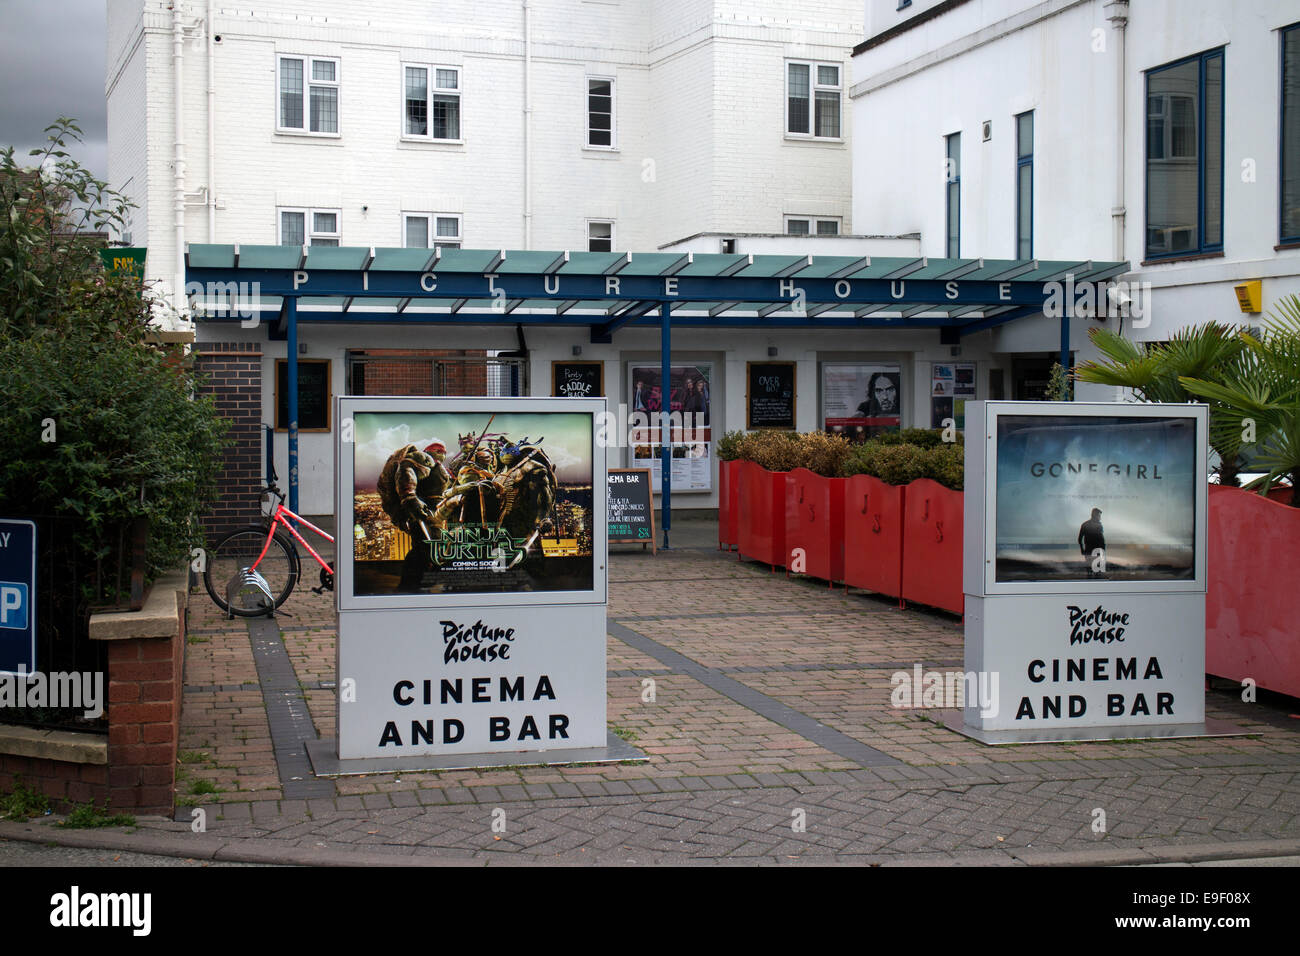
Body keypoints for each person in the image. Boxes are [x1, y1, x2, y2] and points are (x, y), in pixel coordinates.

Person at [1078, 507, 1106, 577]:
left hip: (1090, 550)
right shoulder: (1097, 525)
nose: (1100, 517)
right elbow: (1101, 539)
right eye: (1099, 515)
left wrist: (1082, 549)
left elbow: (1079, 539)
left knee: (1090, 571)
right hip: (1095, 550)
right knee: (1096, 571)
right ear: (1095, 515)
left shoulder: (1085, 524)